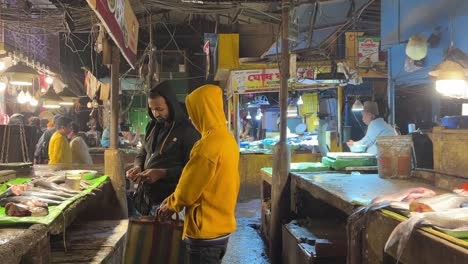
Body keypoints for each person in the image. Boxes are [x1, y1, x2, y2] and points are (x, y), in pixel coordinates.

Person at [158, 84, 240, 264]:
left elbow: (189, 188)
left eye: (193, 111)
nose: (190, 117)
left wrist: (172, 204)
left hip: (205, 232)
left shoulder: (206, 146)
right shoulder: (227, 139)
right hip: (222, 226)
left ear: (203, 111)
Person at [126, 81, 200, 216]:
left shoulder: (187, 131)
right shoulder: (152, 126)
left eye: (160, 109)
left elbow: (193, 172)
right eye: (152, 109)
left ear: (171, 105)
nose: (156, 114)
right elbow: (143, 151)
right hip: (147, 199)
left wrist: (162, 173)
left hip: (170, 203)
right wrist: (137, 166)